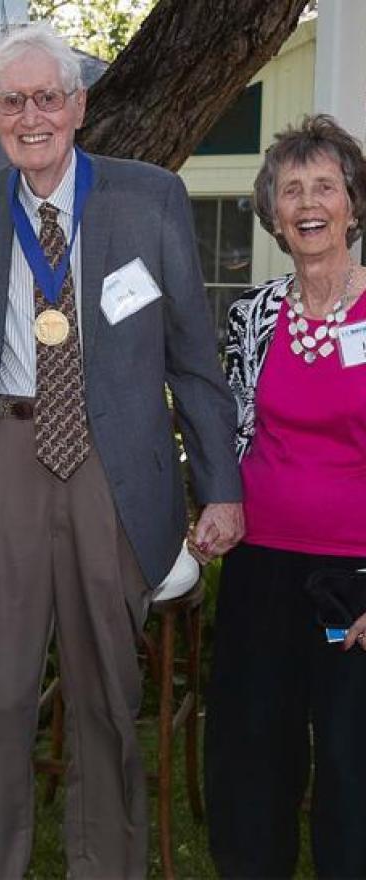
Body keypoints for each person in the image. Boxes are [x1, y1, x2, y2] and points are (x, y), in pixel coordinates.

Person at [0, 22, 243, 879]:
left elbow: (192, 353)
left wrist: (220, 487)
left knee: (108, 695)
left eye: (48, 97)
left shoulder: (148, 197)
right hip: (7, 466)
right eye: (14, 100)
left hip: (116, 470)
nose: (33, 115)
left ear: (80, 105)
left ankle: (108, 867)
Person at [204, 114, 366, 879]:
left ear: (353, 205)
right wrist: (214, 502)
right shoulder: (252, 314)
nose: (309, 202)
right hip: (261, 571)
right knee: (252, 757)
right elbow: (232, 429)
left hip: (352, 585)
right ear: (273, 212)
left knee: (350, 759)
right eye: (291, 188)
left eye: (325, 186)